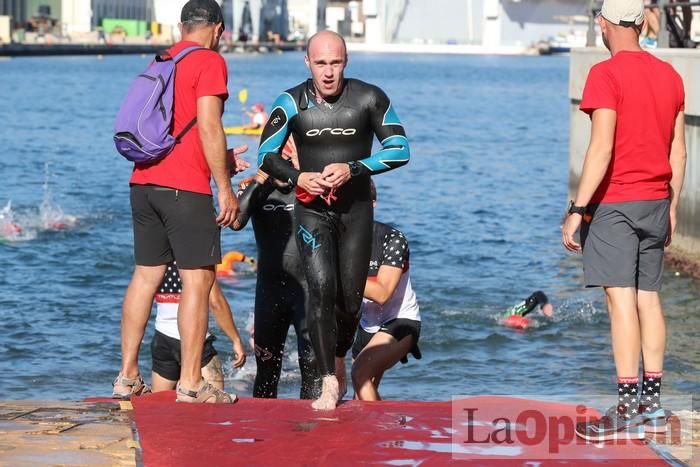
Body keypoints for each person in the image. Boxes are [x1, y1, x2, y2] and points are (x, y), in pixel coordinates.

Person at [256, 30, 410, 409]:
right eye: (321, 63)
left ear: (346, 62)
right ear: (307, 62)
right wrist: (298, 178)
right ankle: (328, 379)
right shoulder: (290, 101)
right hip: (313, 211)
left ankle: (338, 355)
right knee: (321, 289)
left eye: (335, 63)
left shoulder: (369, 97)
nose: (328, 72)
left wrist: (354, 167)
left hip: (355, 211)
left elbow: (401, 148)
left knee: (349, 299)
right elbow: (265, 154)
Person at [561, 0, 686, 441]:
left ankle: (628, 408)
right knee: (649, 300)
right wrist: (671, 205)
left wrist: (577, 210)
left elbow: (601, 150)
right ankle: (652, 407)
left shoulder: (606, 74)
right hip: (655, 203)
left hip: (615, 205)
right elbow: (678, 151)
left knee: (622, 304)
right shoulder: (670, 75)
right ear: (640, 22)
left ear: (605, 23)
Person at [113, 0, 248, 404]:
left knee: (145, 276)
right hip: (185, 189)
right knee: (199, 279)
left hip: (143, 180)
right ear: (219, 29)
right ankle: (191, 382)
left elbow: (177, 129)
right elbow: (208, 123)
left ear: (181, 25)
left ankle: (126, 376)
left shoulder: (163, 58)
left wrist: (220, 162)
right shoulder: (209, 61)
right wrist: (224, 187)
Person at [234, 141, 321, 400]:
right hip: (269, 292)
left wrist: (301, 169)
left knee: (312, 369)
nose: (283, 162)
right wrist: (260, 182)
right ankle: (263, 432)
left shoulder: (311, 186)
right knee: (266, 371)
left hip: (307, 292)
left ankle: (313, 431)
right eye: (278, 157)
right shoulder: (259, 190)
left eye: (289, 155)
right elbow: (236, 221)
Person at [350, 182, 421, 401]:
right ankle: (383, 431)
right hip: (365, 328)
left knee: (360, 375)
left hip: (401, 321)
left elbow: (382, 294)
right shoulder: (341, 241)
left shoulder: (393, 239)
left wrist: (340, 274)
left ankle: (380, 432)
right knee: (360, 396)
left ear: (372, 205)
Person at [151, 262, 246, 393]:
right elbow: (216, 303)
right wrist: (236, 340)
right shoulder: (198, 257)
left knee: (159, 407)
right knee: (213, 408)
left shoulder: (160, 258)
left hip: (162, 338)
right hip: (196, 342)